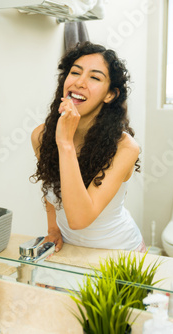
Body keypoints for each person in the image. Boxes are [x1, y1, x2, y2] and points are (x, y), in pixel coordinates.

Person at [31, 42, 146, 253]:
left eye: (95, 77)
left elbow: (79, 219)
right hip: (70, 249)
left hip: (118, 252)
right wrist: (53, 228)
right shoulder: (41, 135)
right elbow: (50, 187)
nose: (80, 82)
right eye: (75, 72)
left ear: (109, 95)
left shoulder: (125, 148)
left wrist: (65, 144)